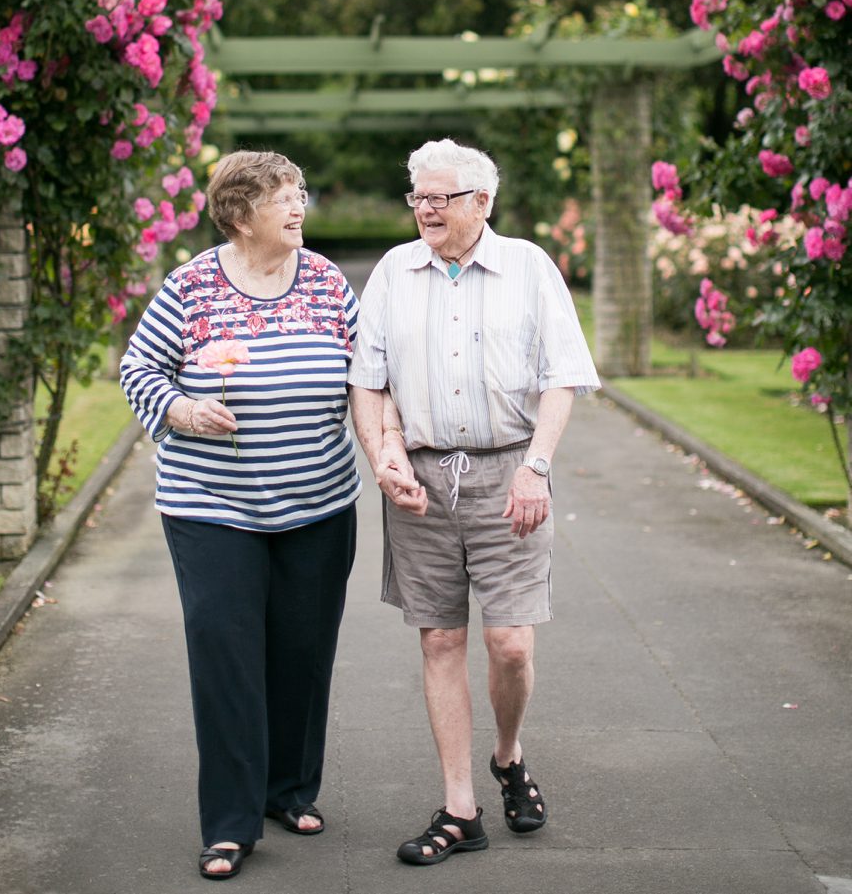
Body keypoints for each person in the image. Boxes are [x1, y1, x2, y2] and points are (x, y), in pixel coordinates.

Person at [346, 138, 599, 867]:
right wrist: (381, 452)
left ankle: (509, 753)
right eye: (417, 196)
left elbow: (563, 376)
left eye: (439, 197)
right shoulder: (395, 271)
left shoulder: (528, 267)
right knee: (441, 638)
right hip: (420, 482)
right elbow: (368, 377)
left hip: (508, 473)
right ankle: (460, 807)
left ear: (481, 202)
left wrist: (537, 467)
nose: (424, 208)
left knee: (510, 643)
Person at [120, 149, 363, 882]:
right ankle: (229, 822)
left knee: (302, 652)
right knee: (227, 659)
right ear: (238, 213)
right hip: (211, 509)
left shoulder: (325, 282)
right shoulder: (192, 285)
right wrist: (183, 408)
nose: (298, 207)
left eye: (300, 193)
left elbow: (368, 375)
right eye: (282, 197)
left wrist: (389, 451)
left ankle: (288, 789)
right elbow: (139, 368)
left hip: (319, 503)